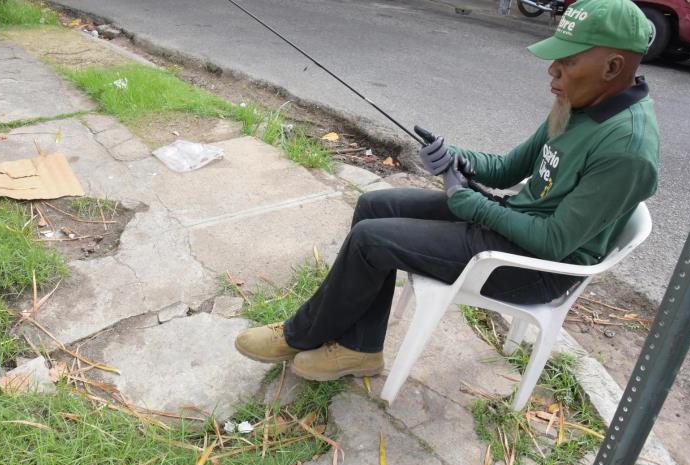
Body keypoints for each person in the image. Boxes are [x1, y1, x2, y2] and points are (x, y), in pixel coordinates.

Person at [234, 0, 659, 381]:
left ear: (612, 67)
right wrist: (458, 159)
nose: (552, 71)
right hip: (514, 228)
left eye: (565, 62)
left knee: (370, 239)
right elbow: (511, 167)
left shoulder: (627, 149)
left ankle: (300, 334)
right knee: (373, 204)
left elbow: (553, 243)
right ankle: (358, 349)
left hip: (529, 268)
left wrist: (470, 203)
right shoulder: (583, 100)